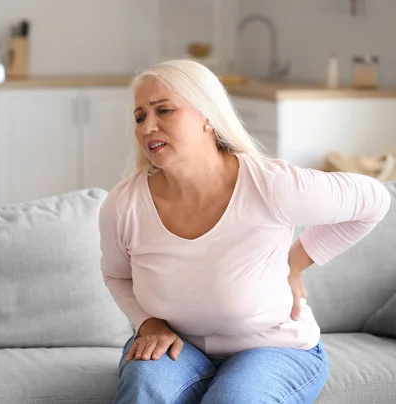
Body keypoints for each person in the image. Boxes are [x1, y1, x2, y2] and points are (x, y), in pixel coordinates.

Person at [98, 58, 391, 404]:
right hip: (178, 346)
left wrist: (295, 262)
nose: (148, 127)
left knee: (236, 398)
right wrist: (147, 322)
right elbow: (116, 276)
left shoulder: (271, 185)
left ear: (208, 116)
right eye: (140, 116)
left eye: (164, 110)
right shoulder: (124, 204)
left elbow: (374, 199)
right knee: (144, 388)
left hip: (273, 348)